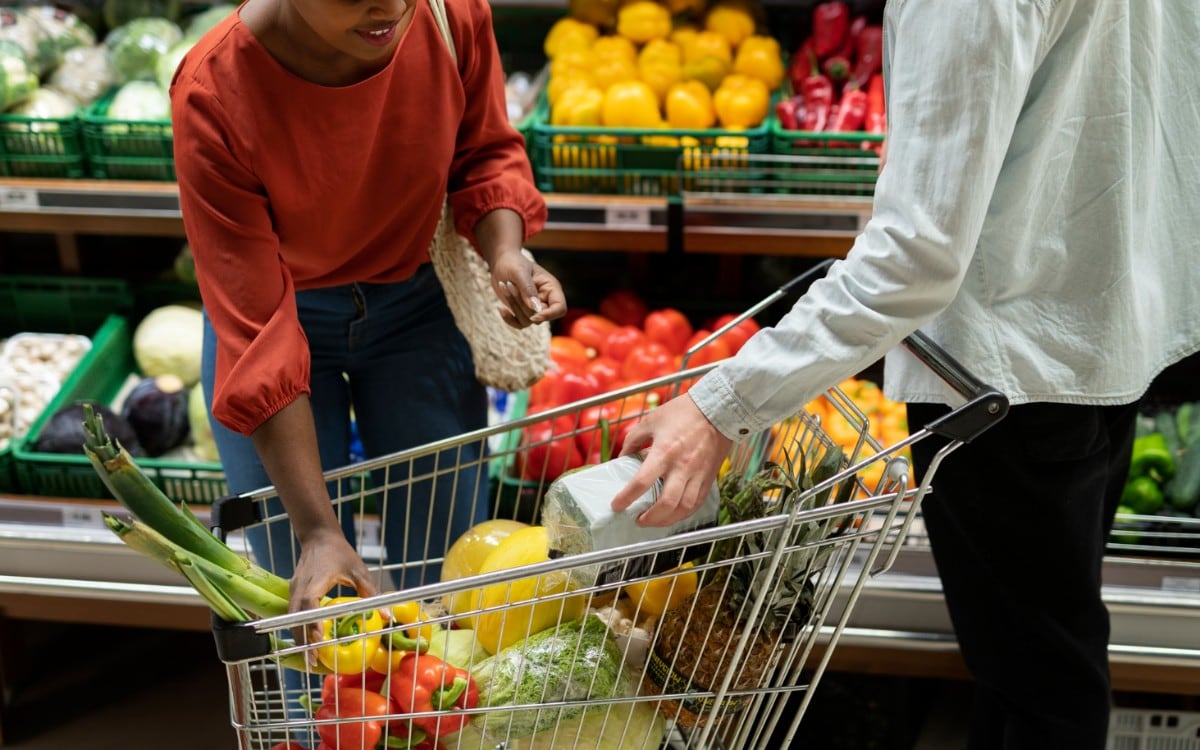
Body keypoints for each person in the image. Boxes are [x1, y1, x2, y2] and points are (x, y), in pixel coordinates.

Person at [611, 2, 1200, 748]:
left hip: (1002, 373)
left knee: (1038, 689)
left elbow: (914, 257)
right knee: (1050, 656)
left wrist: (721, 405)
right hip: (1099, 329)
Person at [170, 0, 565, 642]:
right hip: (276, 319)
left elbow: (486, 150)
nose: (389, 6)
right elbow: (259, 331)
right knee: (308, 607)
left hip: (419, 310)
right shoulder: (215, 90)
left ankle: (427, 735)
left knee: (444, 595)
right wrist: (319, 532)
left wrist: (504, 250)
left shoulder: (447, 14)